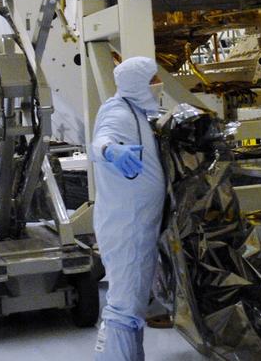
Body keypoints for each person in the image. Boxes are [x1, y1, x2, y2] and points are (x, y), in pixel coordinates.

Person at [92, 57, 166, 361]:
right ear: (137, 84)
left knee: (132, 305)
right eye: (153, 80)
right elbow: (100, 141)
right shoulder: (118, 111)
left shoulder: (137, 113)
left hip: (138, 224)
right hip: (127, 227)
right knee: (124, 306)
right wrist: (111, 151)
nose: (157, 85)